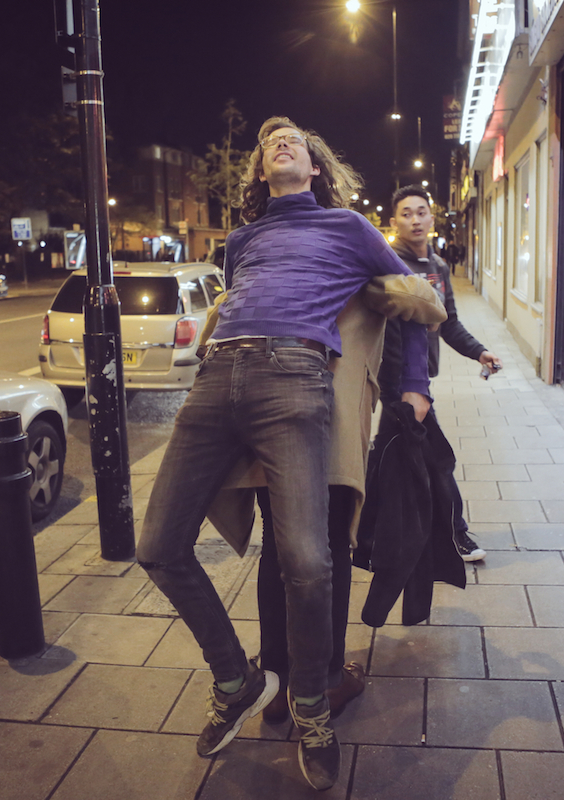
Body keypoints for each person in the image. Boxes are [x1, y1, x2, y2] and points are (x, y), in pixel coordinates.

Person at [135, 116, 434, 791]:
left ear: (315, 167)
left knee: (306, 558)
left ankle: (311, 709)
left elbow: (408, 298)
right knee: (156, 547)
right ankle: (236, 681)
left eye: (294, 139)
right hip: (217, 378)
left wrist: (414, 385)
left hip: (297, 378)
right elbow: (237, 299)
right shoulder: (242, 240)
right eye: (270, 142)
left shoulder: (347, 227)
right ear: (259, 172)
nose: (281, 142)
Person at [377, 185, 503, 562]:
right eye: (406, 214)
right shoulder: (387, 265)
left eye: (421, 212)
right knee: (435, 461)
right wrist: (403, 386)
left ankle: (374, 536)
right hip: (399, 384)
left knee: (391, 460)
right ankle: (453, 535)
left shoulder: (438, 267)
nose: (415, 220)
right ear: (394, 222)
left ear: (432, 218)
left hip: (418, 383)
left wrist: (479, 352)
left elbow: (448, 323)